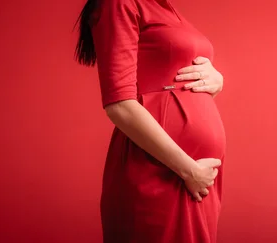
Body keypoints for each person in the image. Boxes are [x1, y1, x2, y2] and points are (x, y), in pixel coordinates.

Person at [74, 0, 227, 242]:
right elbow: (119, 105)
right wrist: (188, 170)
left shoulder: (165, 7)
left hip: (194, 177)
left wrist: (217, 80)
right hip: (162, 170)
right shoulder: (120, 3)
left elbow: (174, 81)